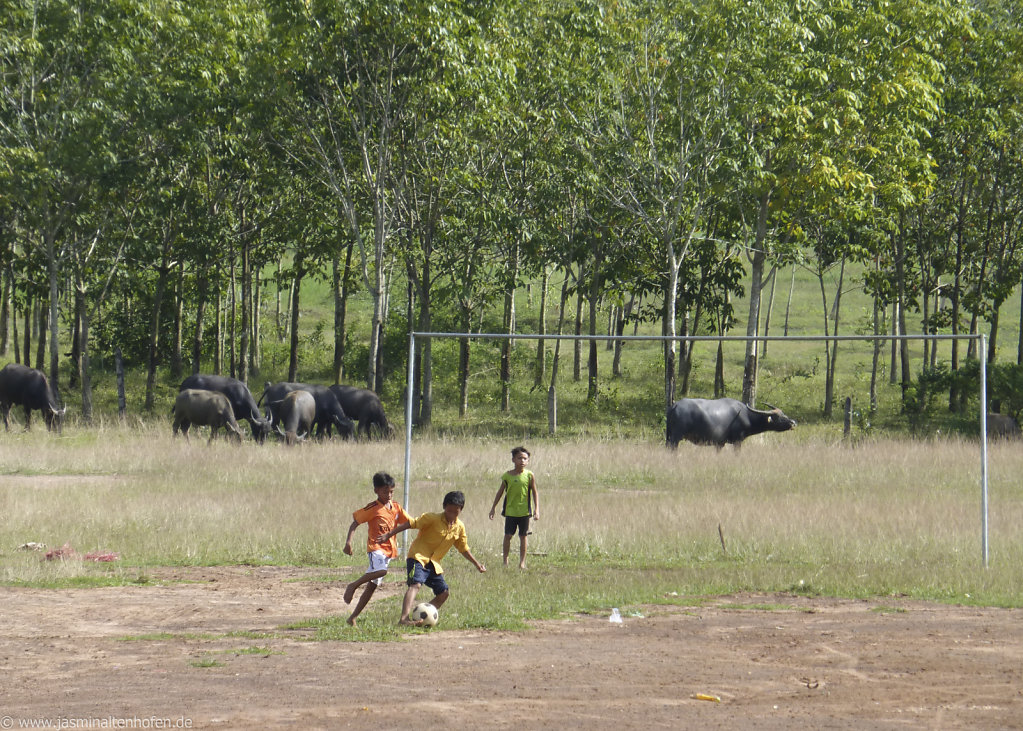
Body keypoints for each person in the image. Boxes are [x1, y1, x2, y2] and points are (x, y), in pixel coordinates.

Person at [375, 490, 486, 625]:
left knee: (443, 593)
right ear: (444, 507)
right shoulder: (431, 518)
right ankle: (403, 619)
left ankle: (424, 616)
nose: (451, 514)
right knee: (415, 585)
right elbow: (410, 524)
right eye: (449, 511)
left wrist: (477, 564)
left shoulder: (459, 527)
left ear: (461, 510)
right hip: (417, 557)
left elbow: (463, 548)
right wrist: (389, 534)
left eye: (455, 512)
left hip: (433, 564)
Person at [341, 472, 410, 626]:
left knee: (372, 586)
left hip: (388, 551)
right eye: (385, 492)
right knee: (382, 571)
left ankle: (352, 617)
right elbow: (355, 523)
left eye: (391, 491)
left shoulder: (396, 507)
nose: (389, 495)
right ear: (376, 491)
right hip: (375, 548)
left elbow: (409, 522)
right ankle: (353, 585)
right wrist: (348, 542)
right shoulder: (373, 508)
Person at [489, 445, 540, 569]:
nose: (522, 461)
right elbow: (500, 492)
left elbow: (534, 492)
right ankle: (505, 561)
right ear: (513, 460)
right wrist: (493, 507)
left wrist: (536, 509)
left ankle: (522, 563)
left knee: (523, 536)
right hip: (510, 511)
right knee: (508, 536)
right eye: (519, 458)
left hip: (524, 512)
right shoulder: (507, 476)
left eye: (525, 459)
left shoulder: (529, 475)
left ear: (528, 461)